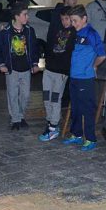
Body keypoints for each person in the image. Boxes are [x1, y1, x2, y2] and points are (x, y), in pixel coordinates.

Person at [61, 5, 106, 151]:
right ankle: (76, 134)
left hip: (85, 78)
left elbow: (102, 54)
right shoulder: (76, 33)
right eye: (72, 21)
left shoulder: (91, 34)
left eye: (75, 21)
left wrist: (94, 66)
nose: (73, 24)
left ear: (84, 19)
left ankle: (91, 139)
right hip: (74, 76)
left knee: (87, 109)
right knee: (75, 107)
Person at [0, 1, 40, 130]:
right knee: (12, 94)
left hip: (26, 69)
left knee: (25, 95)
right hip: (12, 69)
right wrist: (2, 64)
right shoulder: (6, 32)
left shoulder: (30, 31)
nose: (27, 17)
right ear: (17, 16)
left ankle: (21, 115)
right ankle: (15, 119)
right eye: (25, 14)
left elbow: (35, 48)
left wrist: (35, 63)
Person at [39, 8, 76, 141]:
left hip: (61, 72)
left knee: (55, 98)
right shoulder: (58, 30)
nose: (64, 22)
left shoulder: (74, 33)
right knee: (46, 97)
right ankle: (50, 122)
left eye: (67, 19)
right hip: (49, 69)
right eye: (62, 19)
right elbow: (50, 45)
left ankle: (53, 126)